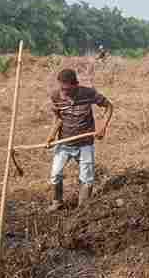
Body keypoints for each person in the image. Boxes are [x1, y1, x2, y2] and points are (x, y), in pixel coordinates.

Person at [46, 68, 114, 212]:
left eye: (66, 89)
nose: (63, 92)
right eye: (61, 88)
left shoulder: (88, 93)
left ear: (75, 85)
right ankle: (57, 202)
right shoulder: (56, 96)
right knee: (55, 174)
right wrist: (51, 136)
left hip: (85, 144)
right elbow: (59, 118)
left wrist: (102, 127)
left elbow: (109, 106)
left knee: (87, 178)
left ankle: (83, 209)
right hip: (64, 143)